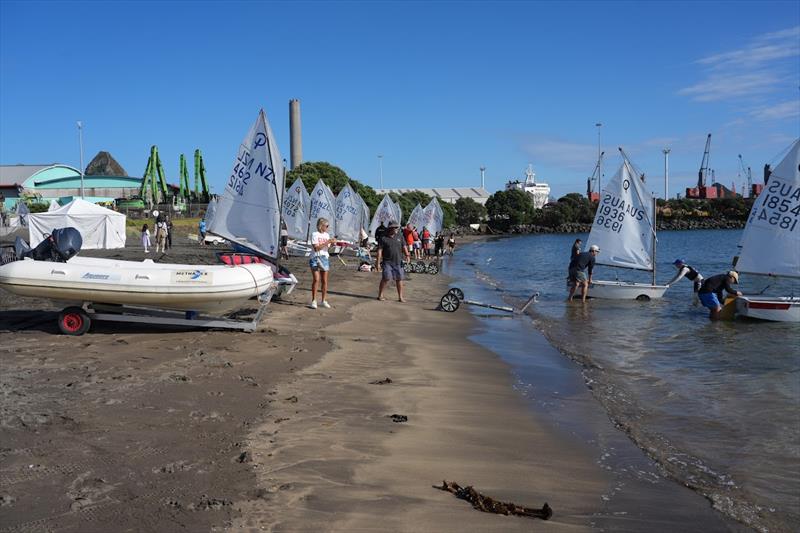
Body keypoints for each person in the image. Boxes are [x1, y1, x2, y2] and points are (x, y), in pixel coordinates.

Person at [377, 221, 409, 302]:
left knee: (399, 279)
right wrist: (377, 263)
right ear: (390, 228)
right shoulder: (383, 237)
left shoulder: (400, 236)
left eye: (397, 227)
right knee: (386, 278)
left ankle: (400, 297)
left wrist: (407, 255)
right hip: (387, 262)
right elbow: (379, 251)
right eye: (395, 227)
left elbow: (404, 246)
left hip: (398, 261)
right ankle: (380, 295)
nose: (396, 229)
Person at [309, 218, 336, 309]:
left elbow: (327, 248)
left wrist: (332, 244)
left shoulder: (327, 235)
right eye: (326, 226)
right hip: (315, 258)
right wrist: (328, 242)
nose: (327, 228)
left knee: (324, 280)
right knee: (316, 279)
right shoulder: (314, 234)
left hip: (324, 258)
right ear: (321, 226)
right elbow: (316, 248)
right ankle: (314, 300)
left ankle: (324, 300)